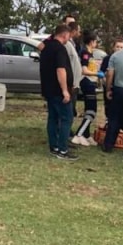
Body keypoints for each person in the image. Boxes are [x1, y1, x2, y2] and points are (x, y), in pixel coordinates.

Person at [39, 24, 78, 161]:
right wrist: (65, 90)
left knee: (53, 118)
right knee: (67, 118)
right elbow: (60, 70)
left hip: (48, 89)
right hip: (58, 90)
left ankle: (54, 146)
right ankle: (62, 149)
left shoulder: (46, 47)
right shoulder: (60, 49)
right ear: (65, 35)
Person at [71, 31, 101, 146]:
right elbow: (84, 70)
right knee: (91, 110)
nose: (96, 43)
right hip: (87, 82)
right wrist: (97, 74)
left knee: (89, 109)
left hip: (91, 82)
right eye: (96, 41)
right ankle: (79, 134)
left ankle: (86, 135)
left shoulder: (90, 53)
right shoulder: (85, 53)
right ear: (92, 42)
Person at [100, 39, 123, 119]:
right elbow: (102, 72)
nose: (119, 49)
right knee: (108, 107)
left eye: (121, 47)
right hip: (109, 85)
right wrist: (105, 81)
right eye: (117, 47)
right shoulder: (107, 59)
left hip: (121, 86)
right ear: (113, 47)